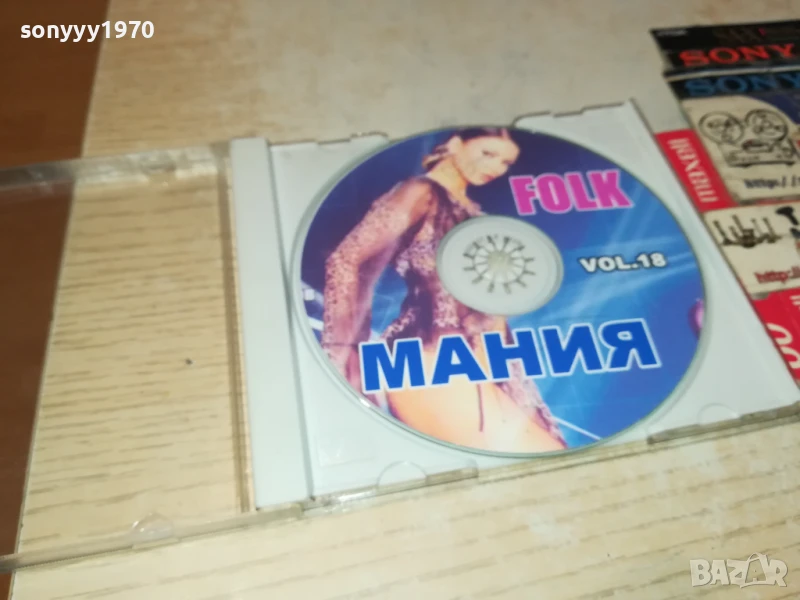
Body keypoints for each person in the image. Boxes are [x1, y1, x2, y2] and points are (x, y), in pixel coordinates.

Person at [321, 128, 566, 453]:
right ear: (454, 144)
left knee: (551, 458)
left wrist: (501, 363)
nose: (496, 167)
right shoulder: (420, 192)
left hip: (488, 363)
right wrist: (345, 351)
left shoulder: (476, 214)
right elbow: (345, 260)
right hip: (432, 360)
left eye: (506, 162)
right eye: (488, 153)